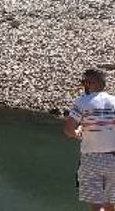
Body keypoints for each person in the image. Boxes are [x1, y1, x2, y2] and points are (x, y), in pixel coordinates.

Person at [65, 68, 115, 210]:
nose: (83, 86)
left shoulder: (83, 101)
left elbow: (68, 130)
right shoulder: (114, 101)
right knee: (110, 204)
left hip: (91, 159)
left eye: (84, 82)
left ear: (90, 83)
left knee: (96, 206)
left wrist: (78, 133)